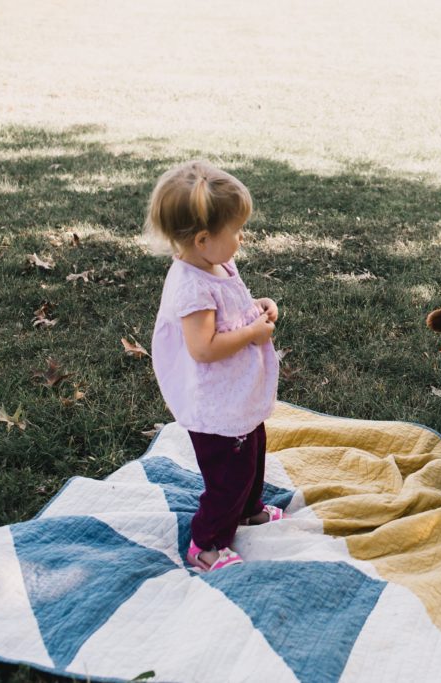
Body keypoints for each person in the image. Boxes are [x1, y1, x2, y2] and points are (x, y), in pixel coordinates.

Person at [145, 160, 282, 572]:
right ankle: (207, 542)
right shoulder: (191, 286)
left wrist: (257, 308)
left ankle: (249, 509)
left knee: (253, 454)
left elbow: (232, 308)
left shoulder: (217, 264)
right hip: (216, 404)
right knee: (228, 477)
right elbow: (203, 347)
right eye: (237, 231)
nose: (242, 238)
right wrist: (254, 335)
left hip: (236, 394)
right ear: (203, 239)